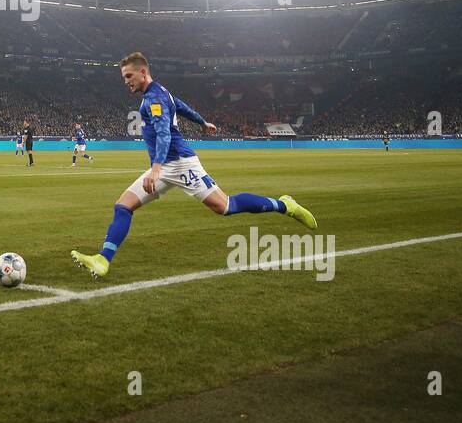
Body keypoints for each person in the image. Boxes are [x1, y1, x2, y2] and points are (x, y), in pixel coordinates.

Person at [71, 52, 318, 279]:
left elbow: (164, 132)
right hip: (164, 165)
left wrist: (156, 168)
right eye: (124, 77)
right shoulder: (160, 92)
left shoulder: (154, 99)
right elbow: (179, 105)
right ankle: (103, 260)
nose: (126, 81)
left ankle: (286, 205)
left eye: (129, 76)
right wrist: (202, 122)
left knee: (225, 206)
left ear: (143, 72)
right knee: (123, 207)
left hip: (179, 163)